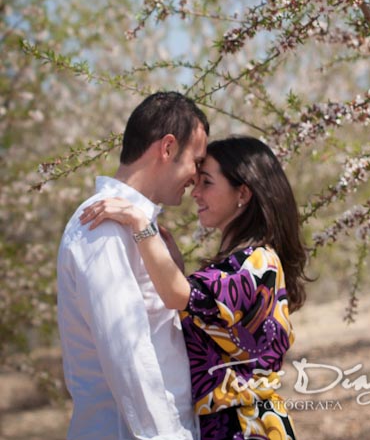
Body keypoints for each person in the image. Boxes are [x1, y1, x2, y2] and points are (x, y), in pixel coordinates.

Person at [80, 135, 309, 440]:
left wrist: (140, 224)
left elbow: (177, 295)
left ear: (243, 192)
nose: (195, 193)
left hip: (245, 427)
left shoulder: (257, 262)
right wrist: (175, 268)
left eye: (207, 183)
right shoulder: (243, 262)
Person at [57, 90, 210, 440]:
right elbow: (128, 353)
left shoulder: (137, 223)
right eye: (196, 162)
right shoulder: (102, 225)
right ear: (168, 148)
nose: (196, 178)